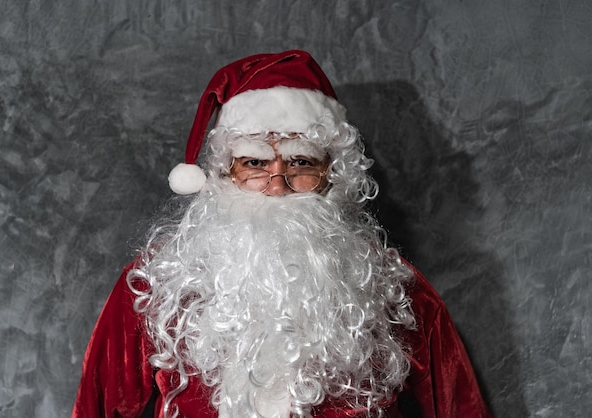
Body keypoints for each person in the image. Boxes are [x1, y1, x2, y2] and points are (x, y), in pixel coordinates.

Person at [72, 50, 491, 418]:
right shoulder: (156, 286)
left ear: (332, 174)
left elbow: (460, 406)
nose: (277, 185)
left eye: (300, 163)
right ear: (224, 173)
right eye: (255, 163)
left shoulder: (392, 289)